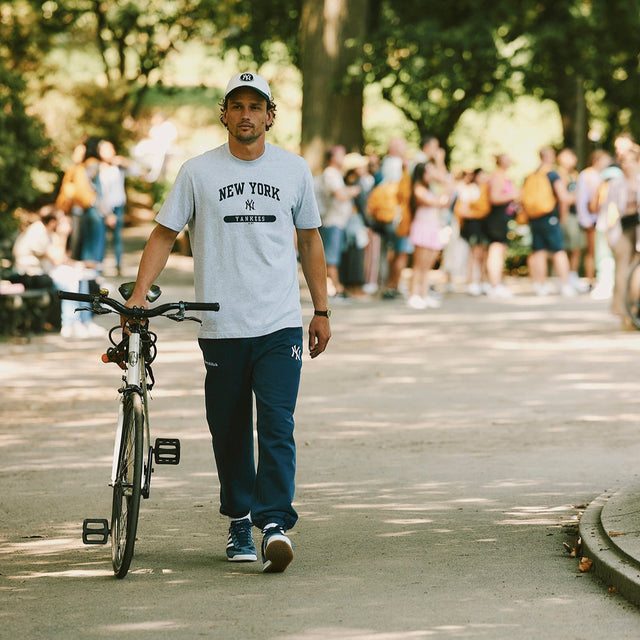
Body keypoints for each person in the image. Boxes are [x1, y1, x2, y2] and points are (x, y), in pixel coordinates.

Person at [122, 71, 331, 573]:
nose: (246, 115)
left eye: (255, 106)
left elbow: (310, 242)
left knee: (277, 425)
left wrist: (321, 310)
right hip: (220, 324)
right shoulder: (198, 171)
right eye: (236, 106)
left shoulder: (294, 170)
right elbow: (163, 234)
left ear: (270, 116)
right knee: (230, 428)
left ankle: (275, 524)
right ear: (224, 114)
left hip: (279, 323)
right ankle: (239, 516)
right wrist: (135, 296)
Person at [12, 206, 103, 338]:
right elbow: (57, 259)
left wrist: (82, 264)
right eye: (60, 221)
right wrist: (63, 235)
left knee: (82, 277)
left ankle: (85, 321)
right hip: (29, 275)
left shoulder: (48, 232)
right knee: (70, 282)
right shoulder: (38, 231)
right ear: (52, 221)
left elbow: (63, 258)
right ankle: (69, 323)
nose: (62, 224)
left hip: (43, 273)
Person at [526, 147, 577, 297]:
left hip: (535, 217)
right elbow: (563, 198)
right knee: (558, 251)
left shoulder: (532, 174)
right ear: (551, 157)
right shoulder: (552, 174)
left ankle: (540, 285)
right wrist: (562, 218)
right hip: (550, 217)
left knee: (539, 251)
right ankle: (566, 284)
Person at [406, 161, 453, 309]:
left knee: (427, 265)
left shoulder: (430, 188)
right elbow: (435, 202)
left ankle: (424, 294)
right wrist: (445, 186)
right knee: (419, 265)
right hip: (422, 227)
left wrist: (447, 187)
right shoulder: (418, 189)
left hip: (433, 227)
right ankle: (413, 294)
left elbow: (444, 203)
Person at [602, 146, 640, 326]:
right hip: (624, 228)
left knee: (637, 273)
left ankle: (634, 310)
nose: (627, 165)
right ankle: (624, 313)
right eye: (624, 162)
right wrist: (608, 233)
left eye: (631, 161)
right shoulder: (616, 183)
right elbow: (608, 209)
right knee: (622, 271)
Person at [318, 145, 361, 298]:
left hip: (339, 222)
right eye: (341, 155)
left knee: (334, 256)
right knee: (331, 258)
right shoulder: (330, 174)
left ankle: (336, 288)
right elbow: (340, 195)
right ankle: (336, 290)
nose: (344, 158)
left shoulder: (336, 174)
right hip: (332, 222)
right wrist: (353, 191)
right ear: (332, 157)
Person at [575, 149, 613, 292]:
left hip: (605, 218)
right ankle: (591, 279)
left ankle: (603, 278)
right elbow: (582, 199)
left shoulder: (605, 175)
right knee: (591, 250)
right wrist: (585, 220)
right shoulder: (587, 175)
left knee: (604, 250)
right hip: (591, 219)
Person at [485, 153, 520, 298]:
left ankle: (496, 283)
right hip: (496, 217)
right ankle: (494, 284)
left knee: (500, 250)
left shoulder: (502, 175)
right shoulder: (498, 176)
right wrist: (513, 195)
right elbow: (494, 197)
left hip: (502, 216)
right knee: (496, 250)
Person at [557, 148, 589, 292]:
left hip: (577, 214)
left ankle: (572, 275)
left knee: (577, 247)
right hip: (565, 215)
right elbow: (564, 198)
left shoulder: (575, 175)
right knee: (564, 247)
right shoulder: (559, 175)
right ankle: (563, 277)